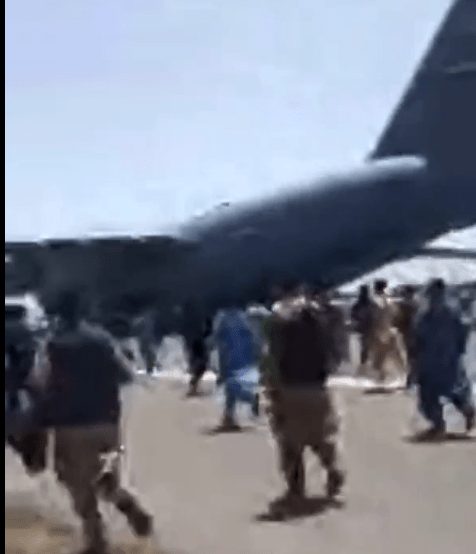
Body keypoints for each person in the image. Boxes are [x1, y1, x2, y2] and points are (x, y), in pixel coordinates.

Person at [28, 291, 153, 554]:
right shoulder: (102, 339)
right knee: (104, 478)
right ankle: (125, 502)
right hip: (106, 420)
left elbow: (39, 379)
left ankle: (95, 538)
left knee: (73, 479)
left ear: (58, 316)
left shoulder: (53, 344)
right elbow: (128, 373)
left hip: (70, 424)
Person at [260, 282, 346, 510]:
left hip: (290, 388)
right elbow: (332, 352)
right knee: (322, 436)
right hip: (318, 387)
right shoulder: (320, 321)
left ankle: (296, 488)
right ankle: (334, 468)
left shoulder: (281, 323)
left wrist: (271, 388)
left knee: (289, 443)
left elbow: (273, 358)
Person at [412, 279, 475, 438]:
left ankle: (440, 424)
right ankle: (460, 415)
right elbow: (463, 332)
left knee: (436, 393)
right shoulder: (448, 312)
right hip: (444, 359)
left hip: (438, 360)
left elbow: (418, 337)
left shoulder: (430, 314)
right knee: (451, 391)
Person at [213, 307, 261, 429]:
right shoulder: (243, 318)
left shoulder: (223, 318)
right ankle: (229, 417)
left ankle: (247, 401)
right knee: (232, 386)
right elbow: (254, 338)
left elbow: (218, 338)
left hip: (230, 356)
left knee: (231, 386)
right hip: (245, 356)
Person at [366, 279, 406, 382]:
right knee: (396, 356)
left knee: (381, 357)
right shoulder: (388, 301)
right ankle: (403, 376)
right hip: (390, 330)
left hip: (381, 332)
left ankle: (384, 377)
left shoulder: (376, 301)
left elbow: (375, 318)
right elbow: (396, 314)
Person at [393, 285, 420, 389]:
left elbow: (396, 321)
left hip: (408, 335)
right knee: (414, 359)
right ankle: (413, 379)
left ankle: (410, 380)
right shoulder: (417, 304)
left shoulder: (402, 305)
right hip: (415, 335)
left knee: (410, 359)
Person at [186, 317, 214, 397]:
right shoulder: (206, 332)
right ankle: (193, 388)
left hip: (199, 351)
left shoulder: (201, 331)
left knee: (199, 371)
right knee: (199, 370)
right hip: (200, 352)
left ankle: (193, 388)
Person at [350, 285, 374, 372]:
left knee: (362, 348)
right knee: (367, 348)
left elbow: (353, 316)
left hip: (360, 329)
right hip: (369, 329)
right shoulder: (371, 304)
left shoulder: (357, 304)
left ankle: (363, 366)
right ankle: (365, 366)